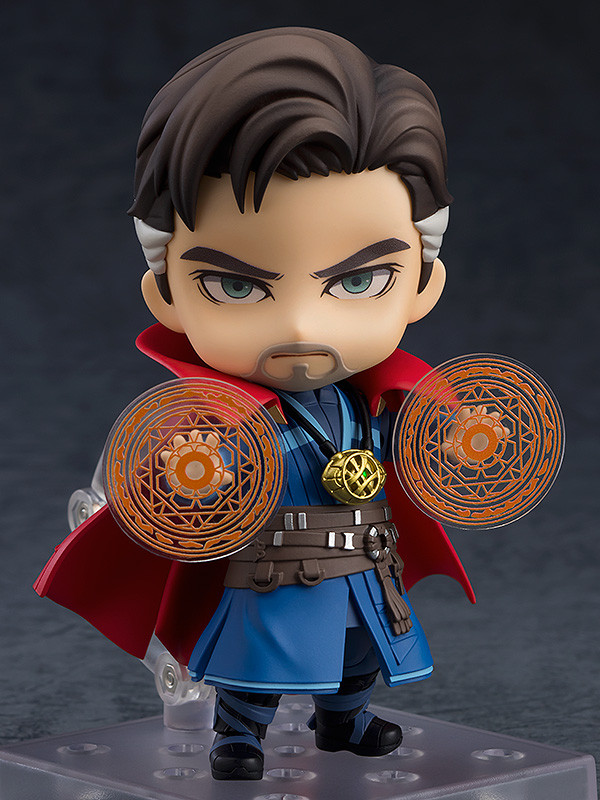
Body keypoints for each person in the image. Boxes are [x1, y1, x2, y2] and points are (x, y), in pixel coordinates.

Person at [36, 27, 475, 781]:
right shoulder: (213, 416)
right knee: (255, 659)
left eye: (358, 281)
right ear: (165, 293)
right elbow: (173, 482)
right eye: (236, 286)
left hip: (363, 560)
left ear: (423, 285)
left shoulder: (381, 401)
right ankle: (237, 736)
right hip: (272, 566)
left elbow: (427, 460)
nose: (301, 326)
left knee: (360, 650)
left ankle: (345, 721)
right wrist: (194, 475)